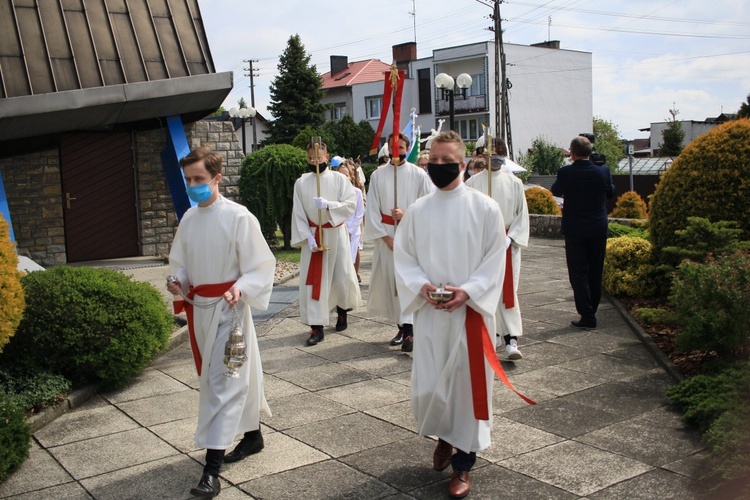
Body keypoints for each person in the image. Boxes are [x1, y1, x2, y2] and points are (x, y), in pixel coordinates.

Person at [393, 130, 508, 499]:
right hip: (430, 314)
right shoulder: (417, 210)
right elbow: (404, 257)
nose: (439, 167)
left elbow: (496, 259)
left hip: (469, 315)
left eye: (448, 161)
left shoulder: (485, 208)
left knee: (466, 390)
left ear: (462, 163)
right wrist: (421, 286)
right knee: (430, 387)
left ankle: (463, 463)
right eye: (433, 161)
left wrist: (469, 291)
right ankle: (444, 436)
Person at [167, 146, 275, 498]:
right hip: (201, 310)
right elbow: (181, 263)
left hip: (229, 312)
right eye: (188, 180)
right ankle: (254, 435)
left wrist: (240, 290)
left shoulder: (239, 217)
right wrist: (178, 281)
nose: (193, 185)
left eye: (199, 179)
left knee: (224, 382)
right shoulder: (188, 219)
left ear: (217, 178)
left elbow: (260, 264)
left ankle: (211, 471)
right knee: (228, 378)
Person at [364, 132, 433, 352]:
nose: (398, 152)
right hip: (387, 238)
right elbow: (372, 209)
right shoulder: (377, 175)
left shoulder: (419, 175)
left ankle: (410, 332)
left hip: (411, 238)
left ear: (407, 148)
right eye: (394, 148)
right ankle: (403, 328)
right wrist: (386, 238)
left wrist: (406, 214)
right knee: (392, 284)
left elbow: (428, 207)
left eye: (401, 148)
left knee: (408, 283)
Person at [291, 142, 362, 345]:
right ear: (308, 158)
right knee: (315, 281)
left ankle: (342, 311)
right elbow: (298, 212)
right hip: (314, 236)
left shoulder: (339, 179)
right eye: (312, 158)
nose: (315, 161)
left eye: (319, 157)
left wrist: (329, 205)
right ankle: (316, 327)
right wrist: (308, 236)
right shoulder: (301, 183)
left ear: (326, 156)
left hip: (335, 232)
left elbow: (350, 205)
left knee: (341, 276)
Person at [466, 138, 529, 360]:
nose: (497, 157)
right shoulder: (472, 184)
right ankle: (489, 334)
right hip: (482, 245)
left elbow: (522, 215)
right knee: (484, 289)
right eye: (493, 152)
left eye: (500, 152)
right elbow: (467, 216)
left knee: (508, 291)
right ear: (484, 155)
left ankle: (511, 338)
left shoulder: (515, 183)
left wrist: (510, 238)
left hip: (508, 244)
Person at [551, 135, 615, 329]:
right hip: (597, 227)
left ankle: (587, 314)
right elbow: (611, 192)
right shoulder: (603, 171)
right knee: (595, 271)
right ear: (590, 152)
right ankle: (591, 311)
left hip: (575, 229)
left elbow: (555, 190)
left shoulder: (566, 172)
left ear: (572, 153)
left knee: (578, 273)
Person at [337, 161, 365, 282]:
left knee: (351, 258)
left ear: (351, 176)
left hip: (352, 231)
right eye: (340, 174)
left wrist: (350, 230)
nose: (343, 177)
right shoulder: (335, 193)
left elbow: (359, 214)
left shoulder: (357, 192)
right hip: (338, 229)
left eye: (346, 174)